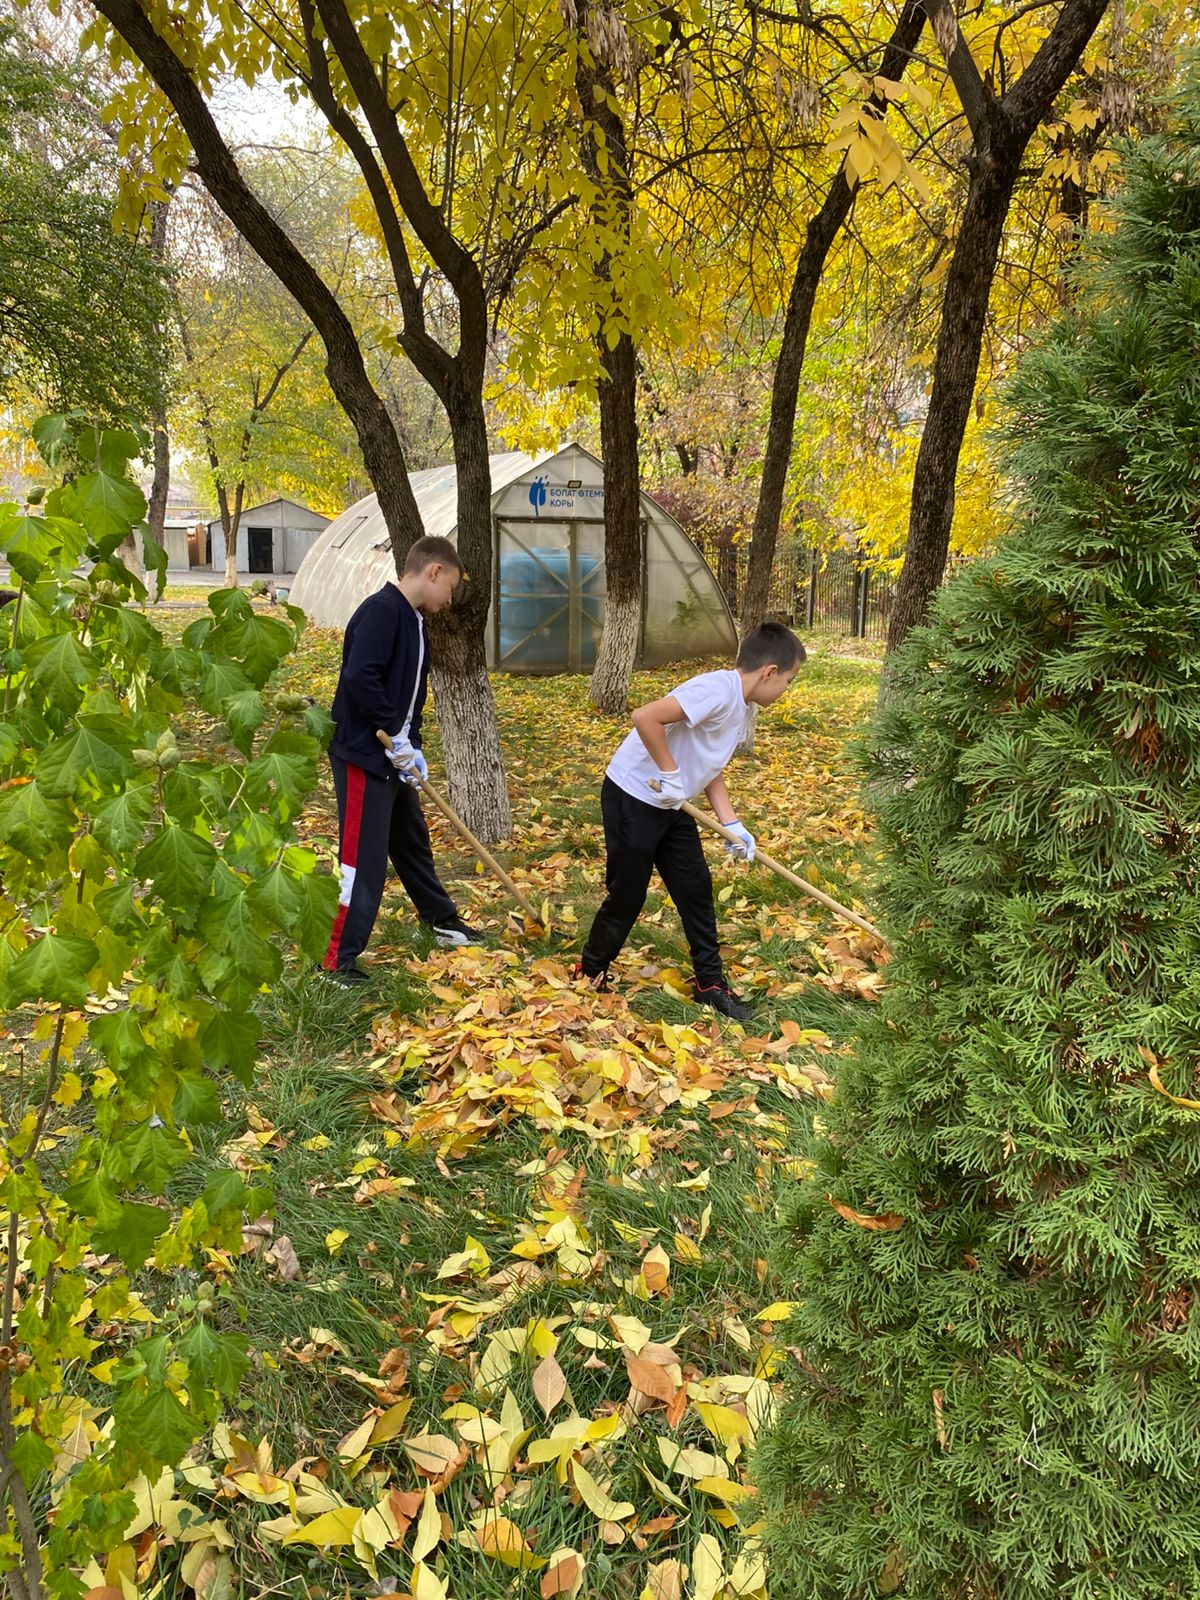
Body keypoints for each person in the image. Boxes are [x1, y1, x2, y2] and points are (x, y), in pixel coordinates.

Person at [575, 622, 805, 1020]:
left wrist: (731, 823)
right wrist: (667, 771)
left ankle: (710, 985)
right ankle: (590, 971)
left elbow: (709, 763)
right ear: (769, 672)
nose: (787, 690)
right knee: (628, 894)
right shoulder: (715, 690)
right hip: (634, 794)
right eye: (789, 680)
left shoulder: (741, 705)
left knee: (695, 888)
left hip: (671, 802)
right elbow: (644, 716)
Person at [320, 535, 480, 985]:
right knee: (361, 861)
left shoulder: (414, 621)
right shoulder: (381, 612)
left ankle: (443, 922)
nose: (449, 599)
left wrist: (413, 744)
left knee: (412, 844)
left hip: (393, 755)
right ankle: (336, 961)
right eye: (449, 586)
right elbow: (360, 677)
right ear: (433, 572)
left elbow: (410, 694)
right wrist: (395, 738)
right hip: (364, 756)